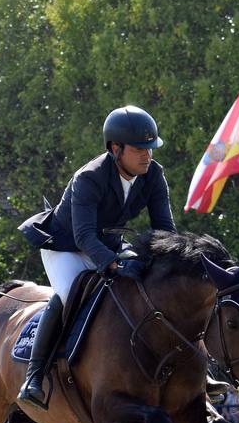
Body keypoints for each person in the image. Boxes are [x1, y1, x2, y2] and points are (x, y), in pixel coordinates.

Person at [17, 105, 175, 407]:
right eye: (139, 148)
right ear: (116, 148)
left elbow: (165, 230)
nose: (147, 155)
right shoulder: (89, 177)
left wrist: (169, 264)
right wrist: (113, 263)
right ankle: (34, 377)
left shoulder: (154, 175)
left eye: (150, 148)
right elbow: (84, 236)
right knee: (67, 295)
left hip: (110, 244)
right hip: (66, 247)